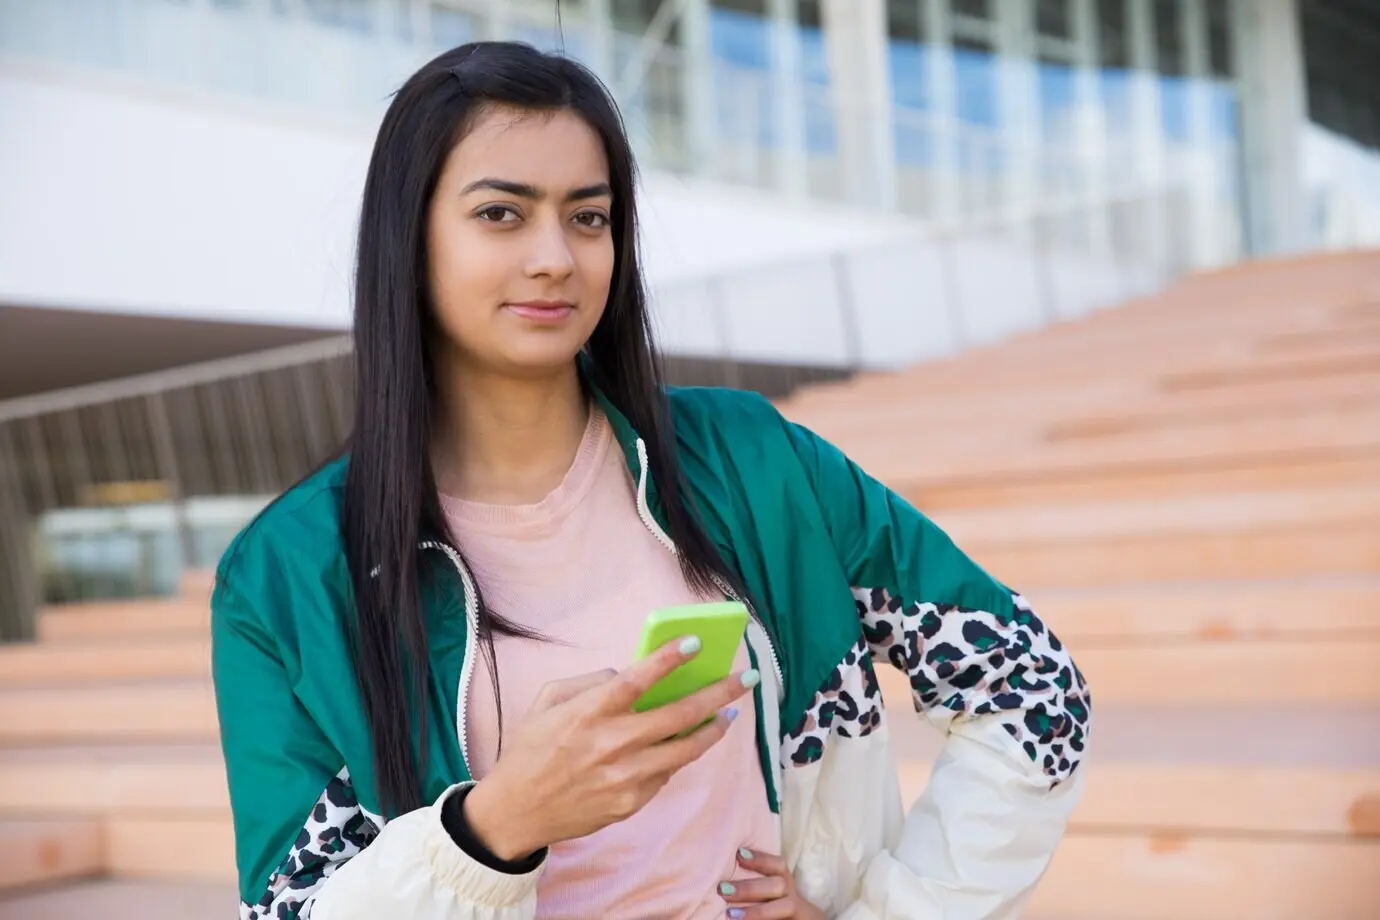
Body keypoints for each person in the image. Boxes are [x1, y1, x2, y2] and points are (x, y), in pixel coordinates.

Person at [211, 41, 1091, 920]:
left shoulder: (752, 463)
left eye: (588, 217)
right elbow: (289, 908)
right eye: (501, 214)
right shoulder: (288, 573)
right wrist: (498, 822)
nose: (556, 256)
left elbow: (1034, 689)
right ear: (409, 236)